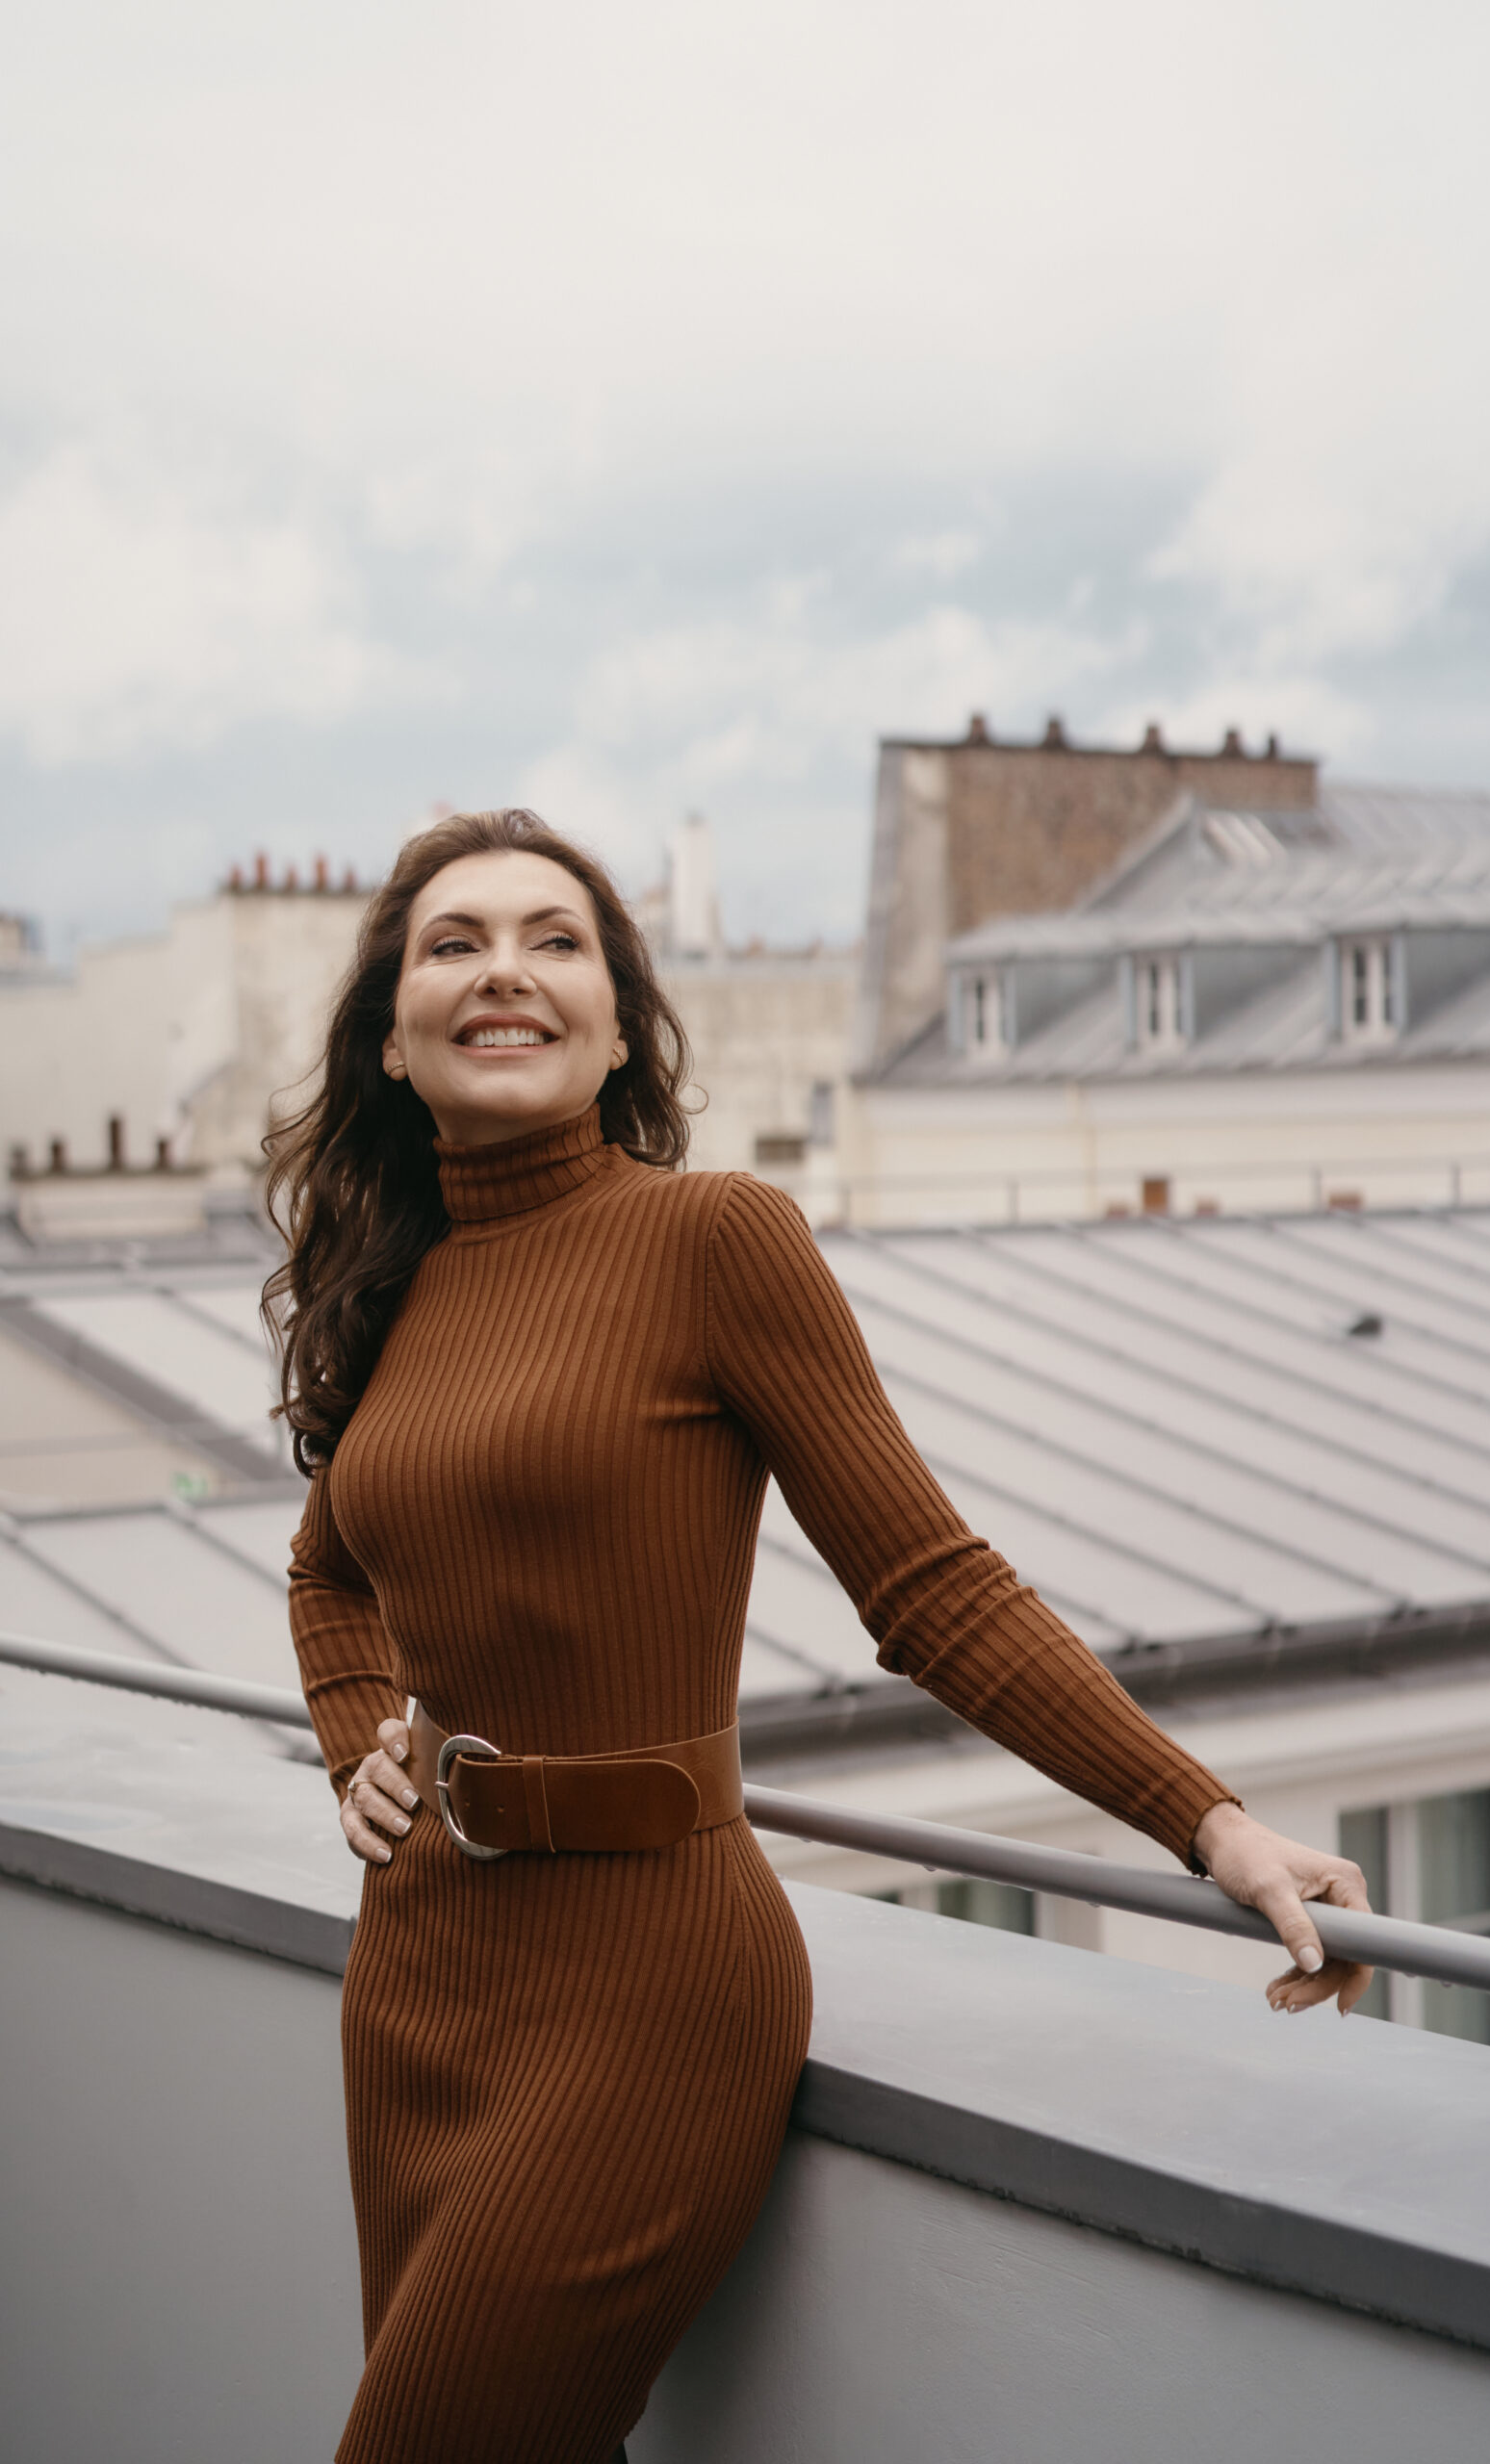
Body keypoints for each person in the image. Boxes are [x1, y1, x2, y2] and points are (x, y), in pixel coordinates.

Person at [271, 807, 1372, 2464]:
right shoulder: (403, 1286)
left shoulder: (716, 1238)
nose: (505, 970)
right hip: (416, 1984)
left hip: (651, 1994)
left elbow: (930, 1587)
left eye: (554, 940)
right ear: (393, 1038)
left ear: (623, 1023)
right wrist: (365, 1739)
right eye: (455, 944)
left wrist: (1203, 1816)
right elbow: (327, 1570)